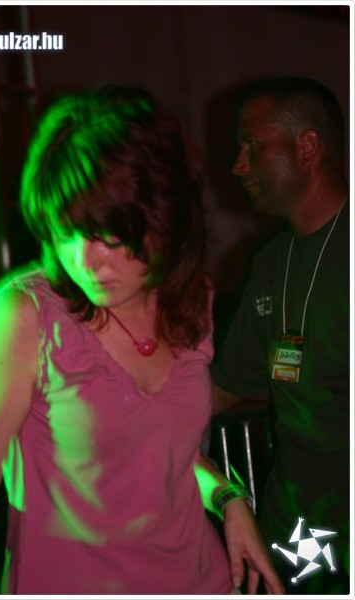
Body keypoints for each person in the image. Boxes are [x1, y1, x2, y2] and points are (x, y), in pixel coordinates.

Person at [0, 85, 284, 595]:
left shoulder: (190, 300)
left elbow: (163, 453)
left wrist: (229, 498)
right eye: (65, 233)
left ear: (164, 216)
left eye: (106, 235)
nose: (84, 261)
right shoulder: (26, 315)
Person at [210, 76, 350, 594]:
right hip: (295, 530)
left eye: (252, 145)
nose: (238, 165)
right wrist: (133, 405)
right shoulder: (271, 262)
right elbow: (229, 383)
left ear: (306, 147)